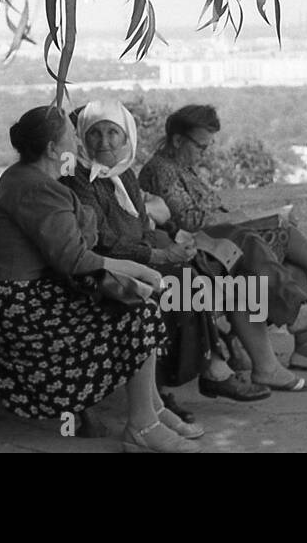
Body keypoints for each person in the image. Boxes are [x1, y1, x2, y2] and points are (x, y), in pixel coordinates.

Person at [0, 105, 198, 452]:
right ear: (53, 149)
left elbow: (85, 237)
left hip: (30, 296)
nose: (78, 141)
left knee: (137, 305)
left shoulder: (32, 180)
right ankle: (142, 427)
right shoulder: (38, 188)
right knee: (136, 313)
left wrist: (84, 224)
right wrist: (140, 269)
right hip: (21, 311)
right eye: (71, 135)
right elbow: (76, 258)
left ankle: (152, 409)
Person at [140, 104, 307, 376]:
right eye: (200, 147)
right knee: (284, 237)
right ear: (178, 140)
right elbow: (189, 222)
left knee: (287, 244)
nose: (204, 154)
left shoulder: (182, 166)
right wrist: (239, 218)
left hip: (222, 244)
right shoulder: (162, 170)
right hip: (205, 254)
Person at [61, 100, 269, 418]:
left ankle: (212, 367)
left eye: (112, 133)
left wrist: (161, 248)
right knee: (182, 284)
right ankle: (206, 372)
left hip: (133, 260)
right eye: (95, 134)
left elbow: (141, 223)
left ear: (125, 136)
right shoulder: (81, 180)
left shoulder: (124, 174)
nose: (104, 142)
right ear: (82, 138)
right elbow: (105, 242)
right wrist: (157, 253)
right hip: (106, 270)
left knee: (190, 277)